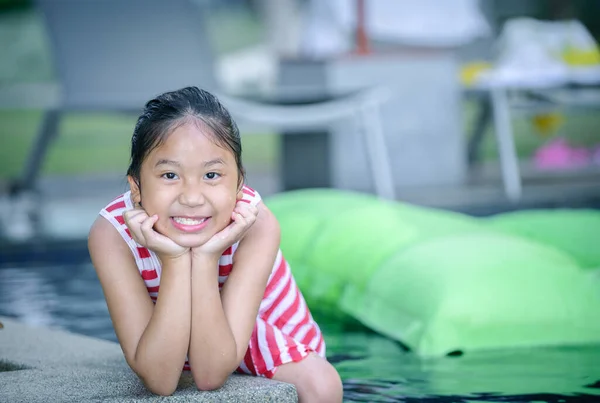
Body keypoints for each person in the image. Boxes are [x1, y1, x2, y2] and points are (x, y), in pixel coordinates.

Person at [87, 86, 343, 401]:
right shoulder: (112, 235)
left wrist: (207, 258)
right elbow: (160, 380)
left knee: (321, 383)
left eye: (211, 175)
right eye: (169, 175)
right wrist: (176, 261)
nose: (192, 198)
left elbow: (209, 375)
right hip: (166, 324)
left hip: (248, 328)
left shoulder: (255, 224)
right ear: (136, 187)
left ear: (239, 184)